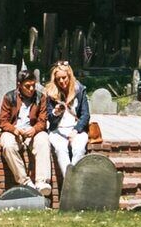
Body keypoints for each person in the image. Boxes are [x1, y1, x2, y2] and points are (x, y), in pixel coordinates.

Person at [35, 60, 96, 189]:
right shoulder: (50, 93)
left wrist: (76, 130)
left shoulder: (80, 90)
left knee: (79, 149)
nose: (62, 82)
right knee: (61, 149)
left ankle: (70, 184)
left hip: (76, 129)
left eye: (64, 78)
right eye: (58, 79)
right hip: (57, 129)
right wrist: (56, 112)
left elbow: (85, 115)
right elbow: (49, 118)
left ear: (70, 76)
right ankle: (72, 185)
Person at [0, 69, 49, 191]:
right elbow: (2, 121)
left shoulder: (41, 98)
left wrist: (34, 129)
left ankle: (42, 182)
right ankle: (25, 181)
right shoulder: (9, 97)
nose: (31, 89)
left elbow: (42, 121)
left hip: (32, 131)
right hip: (13, 131)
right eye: (27, 86)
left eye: (33, 85)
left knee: (44, 140)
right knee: (7, 145)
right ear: (19, 85)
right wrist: (14, 130)